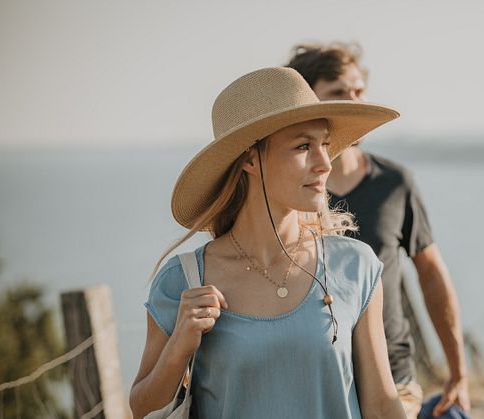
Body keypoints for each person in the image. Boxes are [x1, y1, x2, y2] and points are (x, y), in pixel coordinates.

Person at [129, 67, 407, 418]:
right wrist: (179, 346)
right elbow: (141, 409)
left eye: (325, 144)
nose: (325, 163)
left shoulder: (355, 266)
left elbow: (382, 405)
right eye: (304, 146)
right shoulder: (183, 281)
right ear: (249, 158)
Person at [287, 43, 471, 418]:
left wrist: (458, 373)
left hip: (394, 378)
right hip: (316, 381)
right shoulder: (287, 193)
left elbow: (432, 274)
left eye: (358, 90)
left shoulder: (395, 183)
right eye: (338, 92)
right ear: (308, 103)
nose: (355, 102)